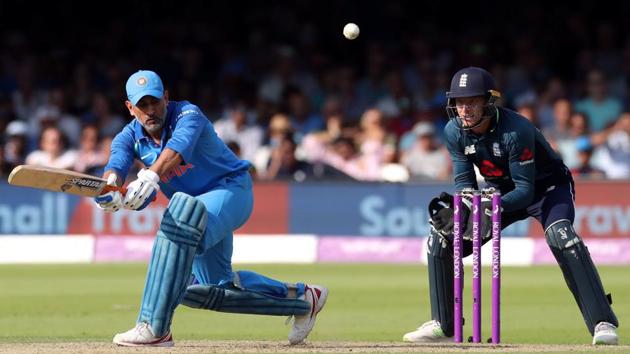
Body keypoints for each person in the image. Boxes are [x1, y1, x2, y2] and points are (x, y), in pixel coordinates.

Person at [95, 70, 327, 347]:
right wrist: (111, 189)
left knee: (176, 224)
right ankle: (302, 300)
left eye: (155, 102)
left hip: (231, 191)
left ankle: (154, 328)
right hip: (195, 209)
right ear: (130, 108)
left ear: (166, 98)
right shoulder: (127, 136)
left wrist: (149, 177)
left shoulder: (187, 115)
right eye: (142, 105)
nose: (150, 111)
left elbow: (177, 151)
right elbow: (117, 164)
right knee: (205, 288)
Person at [402, 67, 619, 345]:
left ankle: (602, 322)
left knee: (561, 236)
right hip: (500, 191)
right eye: (459, 102)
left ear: (489, 101)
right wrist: (468, 206)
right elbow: (464, 182)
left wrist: (490, 207)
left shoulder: (516, 130)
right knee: (442, 239)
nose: (464, 109)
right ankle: (444, 326)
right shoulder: (453, 131)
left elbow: (526, 191)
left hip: (547, 188)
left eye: (472, 101)